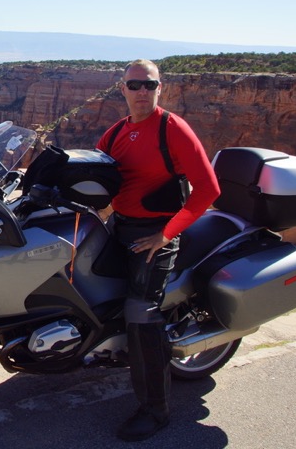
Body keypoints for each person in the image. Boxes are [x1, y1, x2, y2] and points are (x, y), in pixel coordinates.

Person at [96, 59, 220, 442]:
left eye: (150, 85)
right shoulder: (116, 132)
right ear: (123, 89)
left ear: (160, 88)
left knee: (141, 311)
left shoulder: (173, 128)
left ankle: (156, 410)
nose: (142, 92)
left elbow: (209, 191)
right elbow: (94, 175)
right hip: (120, 226)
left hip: (155, 232)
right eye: (135, 85)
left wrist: (165, 235)